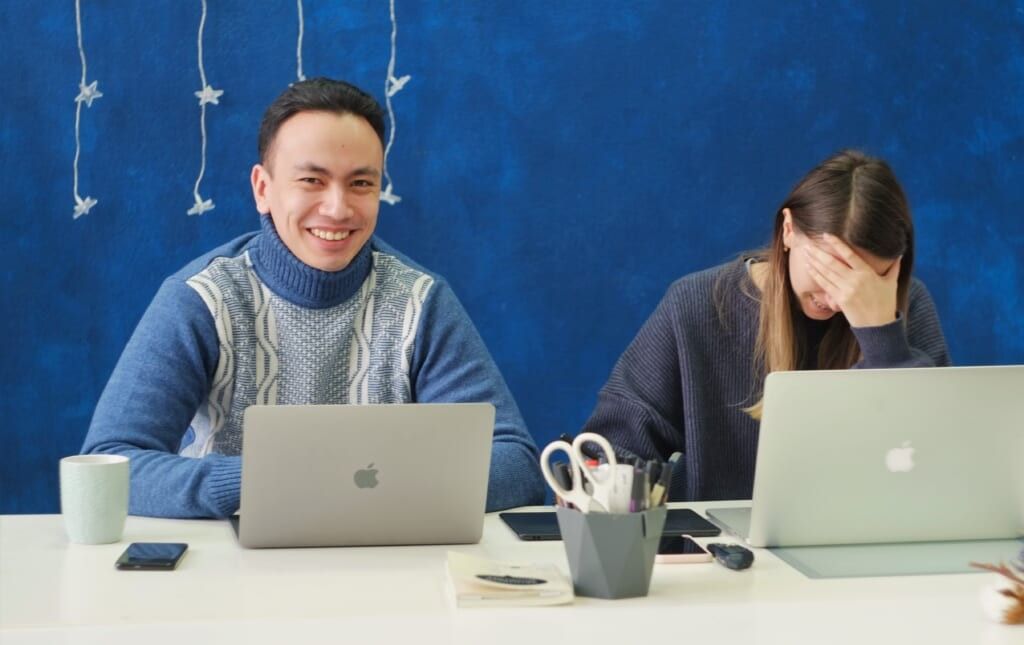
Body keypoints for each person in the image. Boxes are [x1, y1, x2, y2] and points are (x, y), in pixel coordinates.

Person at [82, 78, 545, 518]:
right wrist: (263, 481)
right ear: (263, 189)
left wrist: (364, 484)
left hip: (386, 565)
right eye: (312, 181)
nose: (338, 208)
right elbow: (111, 464)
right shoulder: (202, 299)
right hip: (232, 570)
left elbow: (515, 462)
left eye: (361, 184)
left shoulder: (420, 302)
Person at [580, 150, 950, 502]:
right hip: (721, 559)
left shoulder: (907, 304)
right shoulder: (696, 304)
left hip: (872, 553)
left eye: (869, 280)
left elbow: (938, 469)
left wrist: (881, 335)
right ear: (788, 230)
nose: (839, 301)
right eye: (829, 271)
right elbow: (605, 454)